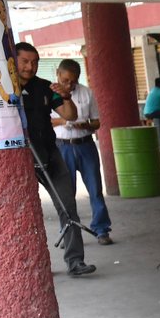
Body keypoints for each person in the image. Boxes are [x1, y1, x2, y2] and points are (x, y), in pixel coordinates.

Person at [14, 42, 93, 277]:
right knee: (25, 213)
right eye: (25, 61)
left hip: (51, 153)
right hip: (22, 159)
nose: (30, 66)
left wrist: (66, 96)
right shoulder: (6, 87)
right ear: (14, 61)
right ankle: (34, 265)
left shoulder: (45, 87)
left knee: (68, 206)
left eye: (34, 62)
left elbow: (70, 115)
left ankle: (75, 261)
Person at [52, 58, 114, 245]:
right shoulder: (50, 94)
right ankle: (69, 232)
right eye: (65, 80)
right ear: (58, 74)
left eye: (73, 80)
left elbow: (97, 122)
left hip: (85, 145)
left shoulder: (87, 93)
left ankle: (101, 229)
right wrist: (65, 121)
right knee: (66, 193)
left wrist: (84, 124)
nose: (69, 84)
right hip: (62, 146)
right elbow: (46, 121)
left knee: (95, 189)